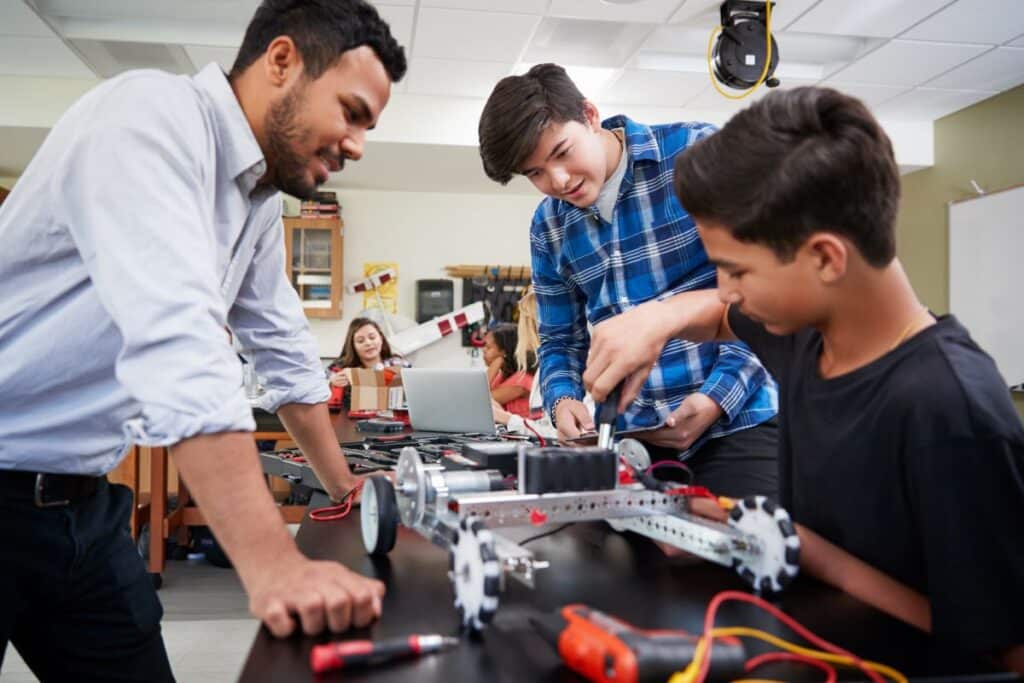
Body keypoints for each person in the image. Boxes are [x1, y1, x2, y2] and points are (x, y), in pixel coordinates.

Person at [0, 1, 406, 679]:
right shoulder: (148, 118)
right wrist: (274, 566)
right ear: (282, 61)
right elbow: (179, 344)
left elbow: (282, 347)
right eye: (352, 111)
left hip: (79, 502)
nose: (358, 142)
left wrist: (346, 486)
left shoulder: (255, 197)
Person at [583, 86, 1024, 671]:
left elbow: (1002, 648)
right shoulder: (808, 335)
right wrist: (657, 319)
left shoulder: (948, 406)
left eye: (735, 269)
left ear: (824, 258)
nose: (727, 289)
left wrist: (800, 547)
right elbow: (719, 316)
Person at [478, 63, 778, 497]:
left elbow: (769, 297)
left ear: (590, 114)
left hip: (738, 422)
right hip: (631, 443)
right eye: (535, 174)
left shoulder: (697, 152)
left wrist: (716, 398)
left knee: (748, 553)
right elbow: (560, 341)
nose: (557, 181)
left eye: (562, 152)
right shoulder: (548, 227)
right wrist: (564, 402)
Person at [327, 317, 409, 410]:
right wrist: (331, 383)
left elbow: (414, 381)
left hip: (392, 419)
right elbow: (316, 388)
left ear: (381, 338)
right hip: (351, 420)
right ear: (353, 346)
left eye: (372, 337)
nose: (368, 343)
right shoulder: (339, 368)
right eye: (360, 341)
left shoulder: (397, 363)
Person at [483, 323, 536, 418]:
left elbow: (481, 400)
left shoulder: (523, 379)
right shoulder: (502, 375)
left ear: (505, 351)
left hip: (522, 431)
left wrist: (497, 362)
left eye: (488, 347)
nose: (483, 350)